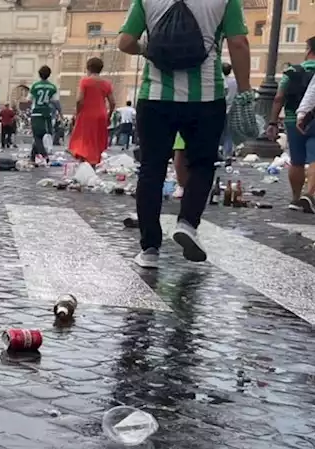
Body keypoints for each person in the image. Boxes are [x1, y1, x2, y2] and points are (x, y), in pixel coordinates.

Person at [119, 0, 250, 268]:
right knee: (201, 164)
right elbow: (238, 44)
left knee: (151, 169)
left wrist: (147, 48)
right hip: (206, 97)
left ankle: (150, 249)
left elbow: (125, 42)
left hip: (155, 96)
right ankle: (188, 223)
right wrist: (245, 89)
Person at [267, 37, 315, 212]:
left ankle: (295, 198)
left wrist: (273, 121)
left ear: (309, 50)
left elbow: (279, 97)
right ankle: (309, 194)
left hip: (292, 118)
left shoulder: (292, 71)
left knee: (296, 160)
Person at [67, 57, 114, 165]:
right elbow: (112, 102)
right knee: (96, 140)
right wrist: (109, 115)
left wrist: (77, 113)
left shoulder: (85, 81)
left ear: (88, 68)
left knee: (84, 139)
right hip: (101, 114)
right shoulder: (106, 84)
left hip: (86, 114)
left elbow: (79, 100)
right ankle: (93, 162)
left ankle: (85, 162)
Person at [29, 66, 58, 160]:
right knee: (42, 134)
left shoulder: (35, 85)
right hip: (47, 112)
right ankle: (32, 156)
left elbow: (29, 98)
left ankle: (44, 155)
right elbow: (55, 100)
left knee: (37, 136)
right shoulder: (53, 87)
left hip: (36, 112)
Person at [221, 62, 237, 158]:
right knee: (229, 134)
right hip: (231, 110)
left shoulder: (220, 81)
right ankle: (227, 154)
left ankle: (217, 151)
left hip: (220, 109)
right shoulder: (234, 82)